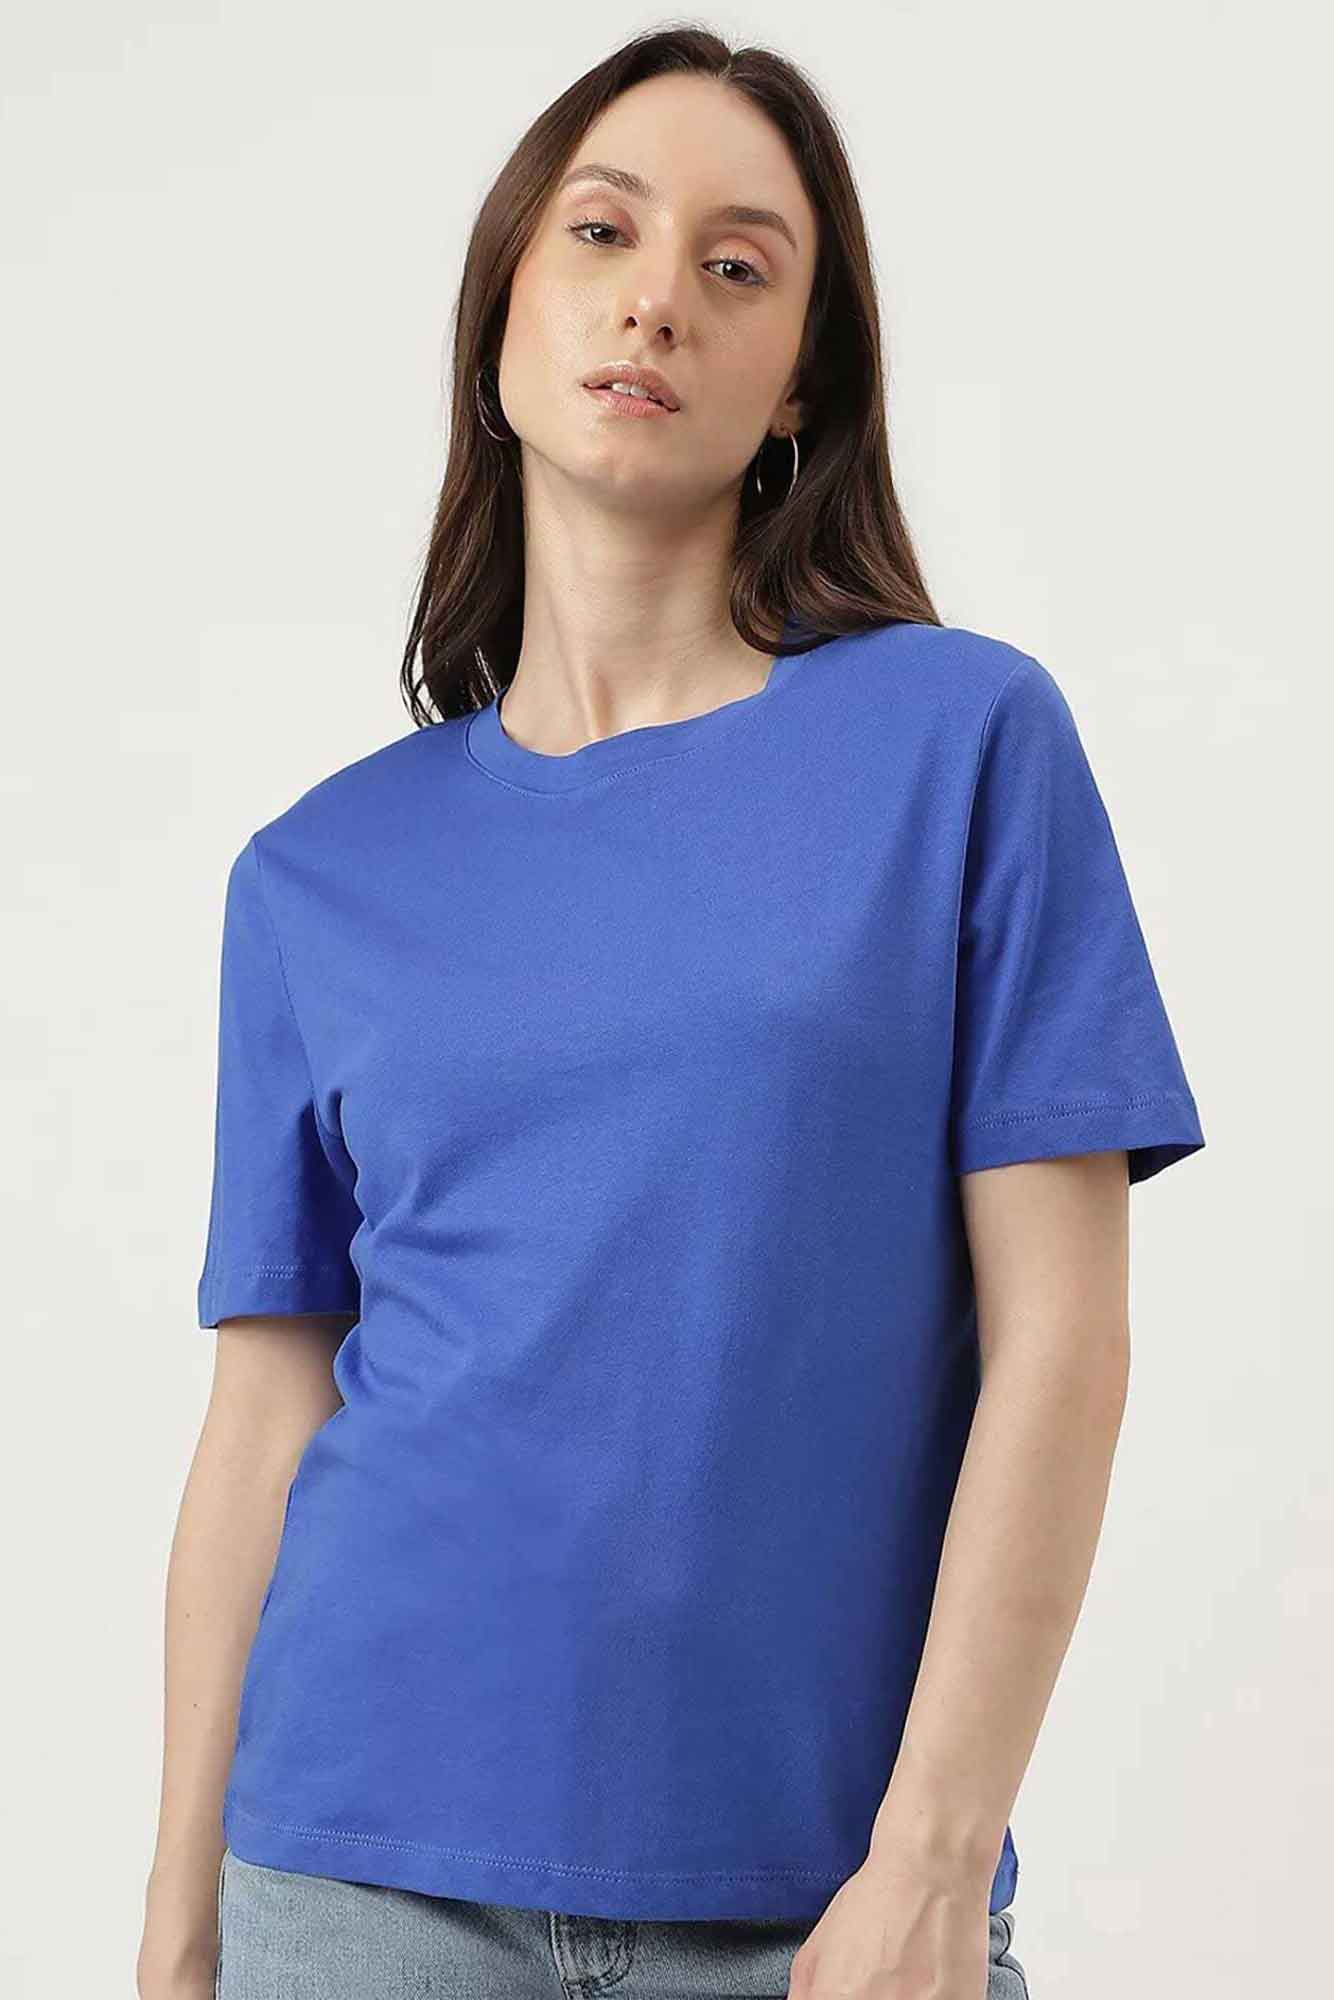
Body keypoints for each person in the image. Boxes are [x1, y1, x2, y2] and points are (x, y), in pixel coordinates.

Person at [138, 25, 1205, 2000]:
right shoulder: (313, 874)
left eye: (736, 265)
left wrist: (932, 1855)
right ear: (502, 312)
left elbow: (1062, 1339)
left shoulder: (961, 742)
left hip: (824, 1896)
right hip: (353, 1877)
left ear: (800, 381)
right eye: (601, 233)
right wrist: (178, 1928)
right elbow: (265, 1414)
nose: (655, 299)